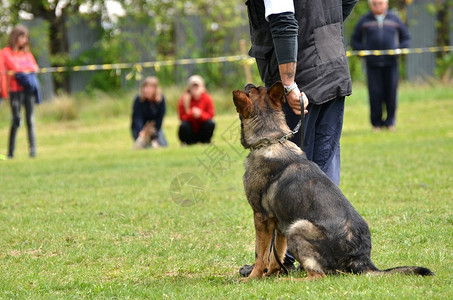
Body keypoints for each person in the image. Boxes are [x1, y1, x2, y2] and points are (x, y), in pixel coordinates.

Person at [240, 0, 358, 276]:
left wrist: (289, 84)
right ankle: (329, 254)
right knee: (322, 169)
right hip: (331, 64)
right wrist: (324, 29)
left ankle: (283, 259)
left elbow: (283, 21)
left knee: (288, 177)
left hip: (298, 74)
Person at [351, 0, 410, 131]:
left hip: (392, 64)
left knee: (391, 93)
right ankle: (376, 124)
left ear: (386, 4)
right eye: (375, 4)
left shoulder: (395, 19)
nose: (378, 6)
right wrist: (363, 53)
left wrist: (400, 49)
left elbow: (406, 37)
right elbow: (355, 40)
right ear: (370, 5)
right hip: (372, 65)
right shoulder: (364, 21)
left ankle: (390, 123)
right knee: (375, 94)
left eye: (381, 3)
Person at [2, 24, 40, 159]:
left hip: (27, 90)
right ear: (15, 37)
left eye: (26, 37)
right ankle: (11, 152)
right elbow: (13, 67)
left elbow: (35, 67)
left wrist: (25, 68)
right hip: (14, 91)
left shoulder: (27, 54)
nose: (25, 40)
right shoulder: (6, 52)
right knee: (16, 120)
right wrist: (26, 68)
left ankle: (33, 151)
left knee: (30, 119)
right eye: (22, 37)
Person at [177, 75, 215, 145]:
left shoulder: (207, 98)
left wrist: (200, 115)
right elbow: (181, 117)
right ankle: (186, 142)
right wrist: (192, 114)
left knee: (210, 123)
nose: (195, 89)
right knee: (184, 125)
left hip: (202, 129)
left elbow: (211, 115)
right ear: (189, 88)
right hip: (190, 130)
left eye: (197, 86)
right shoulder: (184, 99)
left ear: (202, 87)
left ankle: (206, 141)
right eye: (193, 87)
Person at [131, 76, 168, 147]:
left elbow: (160, 118)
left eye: (149, 88)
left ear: (155, 89)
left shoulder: (161, 100)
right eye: (145, 87)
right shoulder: (138, 100)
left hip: (155, 129)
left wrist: (155, 131)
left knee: (163, 145)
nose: (146, 90)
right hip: (141, 129)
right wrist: (140, 130)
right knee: (143, 145)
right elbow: (137, 118)